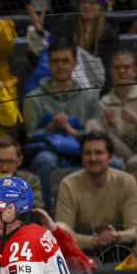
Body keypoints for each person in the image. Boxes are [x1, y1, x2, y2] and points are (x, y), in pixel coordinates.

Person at [24, 39, 104, 212]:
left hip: (83, 150)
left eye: (65, 60)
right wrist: (50, 128)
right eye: (55, 61)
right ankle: (48, 214)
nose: (60, 66)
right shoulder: (33, 98)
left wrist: (72, 131)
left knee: (112, 162)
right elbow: (30, 135)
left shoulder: (90, 97)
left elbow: (99, 136)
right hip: (48, 151)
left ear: (74, 63)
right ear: (49, 64)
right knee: (45, 159)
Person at [55, 133, 137, 261]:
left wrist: (116, 236)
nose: (93, 158)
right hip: (79, 252)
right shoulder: (68, 184)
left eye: (99, 152)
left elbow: (135, 230)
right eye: (87, 153)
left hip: (117, 249)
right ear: (82, 157)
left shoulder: (127, 182)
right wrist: (95, 240)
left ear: (111, 157)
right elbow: (63, 235)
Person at [26, 0, 120, 92]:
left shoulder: (109, 34)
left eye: (93, 3)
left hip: (95, 90)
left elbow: (108, 72)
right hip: (62, 84)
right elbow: (48, 54)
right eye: (84, 2)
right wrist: (40, 33)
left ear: (102, 7)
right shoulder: (66, 24)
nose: (86, 6)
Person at [86, 50, 137, 172]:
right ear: (111, 72)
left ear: (135, 71)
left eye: (126, 67)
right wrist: (111, 126)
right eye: (117, 68)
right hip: (122, 153)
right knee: (92, 124)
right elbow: (113, 141)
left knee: (133, 163)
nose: (121, 71)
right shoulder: (104, 103)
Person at [0, 137, 44, 210]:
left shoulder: (31, 181)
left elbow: (38, 209)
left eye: (10, 162)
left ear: (20, 161)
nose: (4, 168)